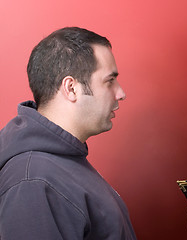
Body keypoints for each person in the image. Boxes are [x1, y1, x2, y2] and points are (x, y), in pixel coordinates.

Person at [0, 27, 137, 240]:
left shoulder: (64, 162)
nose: (121, 93)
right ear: (71, 88)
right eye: (109, 81)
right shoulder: (33, 183)